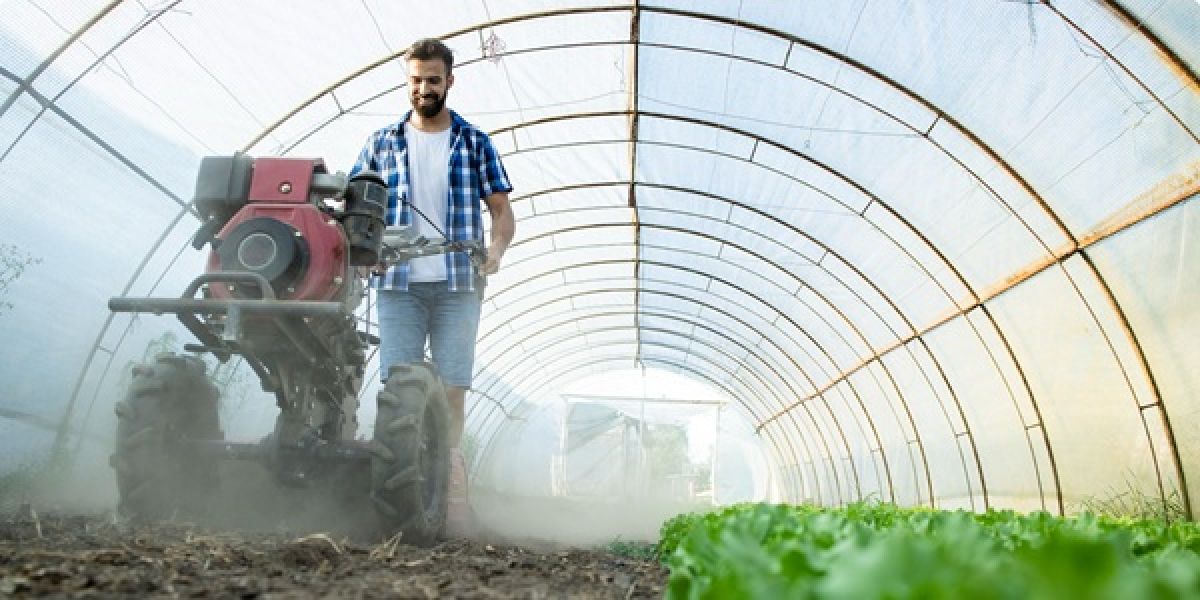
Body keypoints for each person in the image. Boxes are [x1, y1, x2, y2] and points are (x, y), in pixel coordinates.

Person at [350, 38, 515, 537]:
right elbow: (357, 208)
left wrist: (497, 250)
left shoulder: (475, 142)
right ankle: (399, 487)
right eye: (416, 79)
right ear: (408, 81)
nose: (424, 88)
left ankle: (448, 491)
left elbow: (502, 212)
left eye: (433, 79)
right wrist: (361, 255)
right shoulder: (380, 143)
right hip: (398, 282)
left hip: (458, 283)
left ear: (450, 81)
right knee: (397, 386)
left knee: (450, 389)